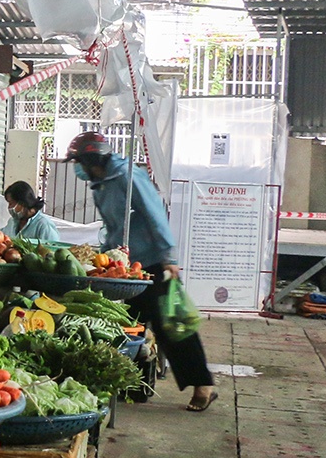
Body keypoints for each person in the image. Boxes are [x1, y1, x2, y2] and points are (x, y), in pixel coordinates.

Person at [64, 130, 215, 411]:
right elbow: (116, 226)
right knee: (128, 326)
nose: (79, 169)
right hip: (128, 264)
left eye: (80, 162)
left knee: (171, 325)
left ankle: (202, 385)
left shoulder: (126, 176)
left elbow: (154, 213)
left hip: (154, 262)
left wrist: (169, 256)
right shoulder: (102, 182)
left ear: (91, 160)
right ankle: (133, 385)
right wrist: (105, 254)